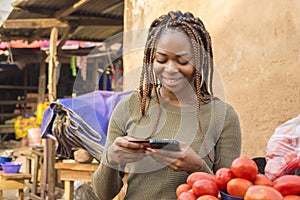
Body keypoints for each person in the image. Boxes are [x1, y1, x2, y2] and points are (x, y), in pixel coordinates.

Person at [92, 10, 242, 200]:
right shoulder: (129, 107)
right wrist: (111, 159)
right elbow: (103, 194)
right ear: (150, 58)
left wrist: (197, 168)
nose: (170, 69)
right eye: (161, 59)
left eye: (182, 61)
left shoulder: (223, 116)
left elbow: (229, 195)